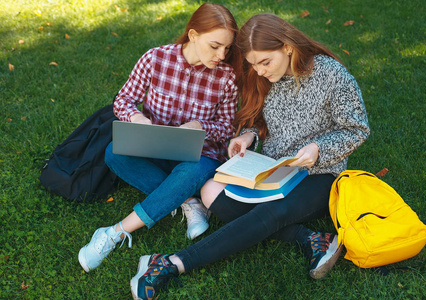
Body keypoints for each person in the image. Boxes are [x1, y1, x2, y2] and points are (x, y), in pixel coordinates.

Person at [130, 13, 370, 300]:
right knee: (209, 189)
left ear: (288, 47)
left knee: (272, 213)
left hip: (319, 174)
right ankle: (310, 239)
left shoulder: (333, 76)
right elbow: (259, 122)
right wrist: (248, 136)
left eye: (265, 62)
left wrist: (319, 148)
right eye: (253, 64)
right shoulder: (264, 77)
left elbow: (357, 130)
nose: (259, 71)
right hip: (270, 170)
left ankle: (172, 263)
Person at [78, 3, 240, 273]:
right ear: (192, 35)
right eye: (215, 46)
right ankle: (189, 200)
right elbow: (124, 100)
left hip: (198, 158)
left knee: (196, 169)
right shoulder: (155, 59)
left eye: (227, 48)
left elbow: (226, 128)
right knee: (113, 153)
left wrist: (200, 126)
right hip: (154, 149)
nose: (222, 55)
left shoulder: (226, 78)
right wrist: (137, 118)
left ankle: (114, 232)